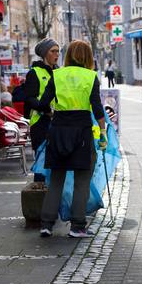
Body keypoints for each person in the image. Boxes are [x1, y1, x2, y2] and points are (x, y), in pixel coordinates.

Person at [38, 40, 107, 238]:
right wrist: (102, 134)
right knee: (82, 181)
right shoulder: (90, 76)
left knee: (57, 180)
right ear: (88, 57)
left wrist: (57, 113)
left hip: (58, 131)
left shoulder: (57, 75)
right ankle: (77, 226)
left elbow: (43, 103)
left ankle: (47, 224)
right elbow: (97, 108)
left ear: (68, 56)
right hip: (82, 133)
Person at [24, 38, 60, 184]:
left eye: (58, 51)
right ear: (45, 53)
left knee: (56, 160)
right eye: (53, 51)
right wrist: (46, 110)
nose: (56, 54)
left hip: (57, 121)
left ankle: (53, 193)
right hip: (40, 122)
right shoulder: (34, 72)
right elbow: (30, 98)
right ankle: (39, 193)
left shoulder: (59, 72)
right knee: (41, 160)